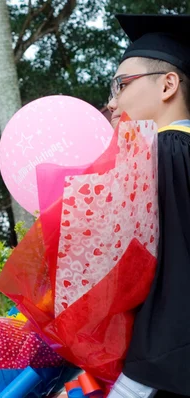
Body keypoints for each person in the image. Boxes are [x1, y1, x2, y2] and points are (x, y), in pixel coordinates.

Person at [106, 14, 190, 398]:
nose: (111, 102)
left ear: (168, 84)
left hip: (163, 367)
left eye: (121, 85)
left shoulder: (162, 153)